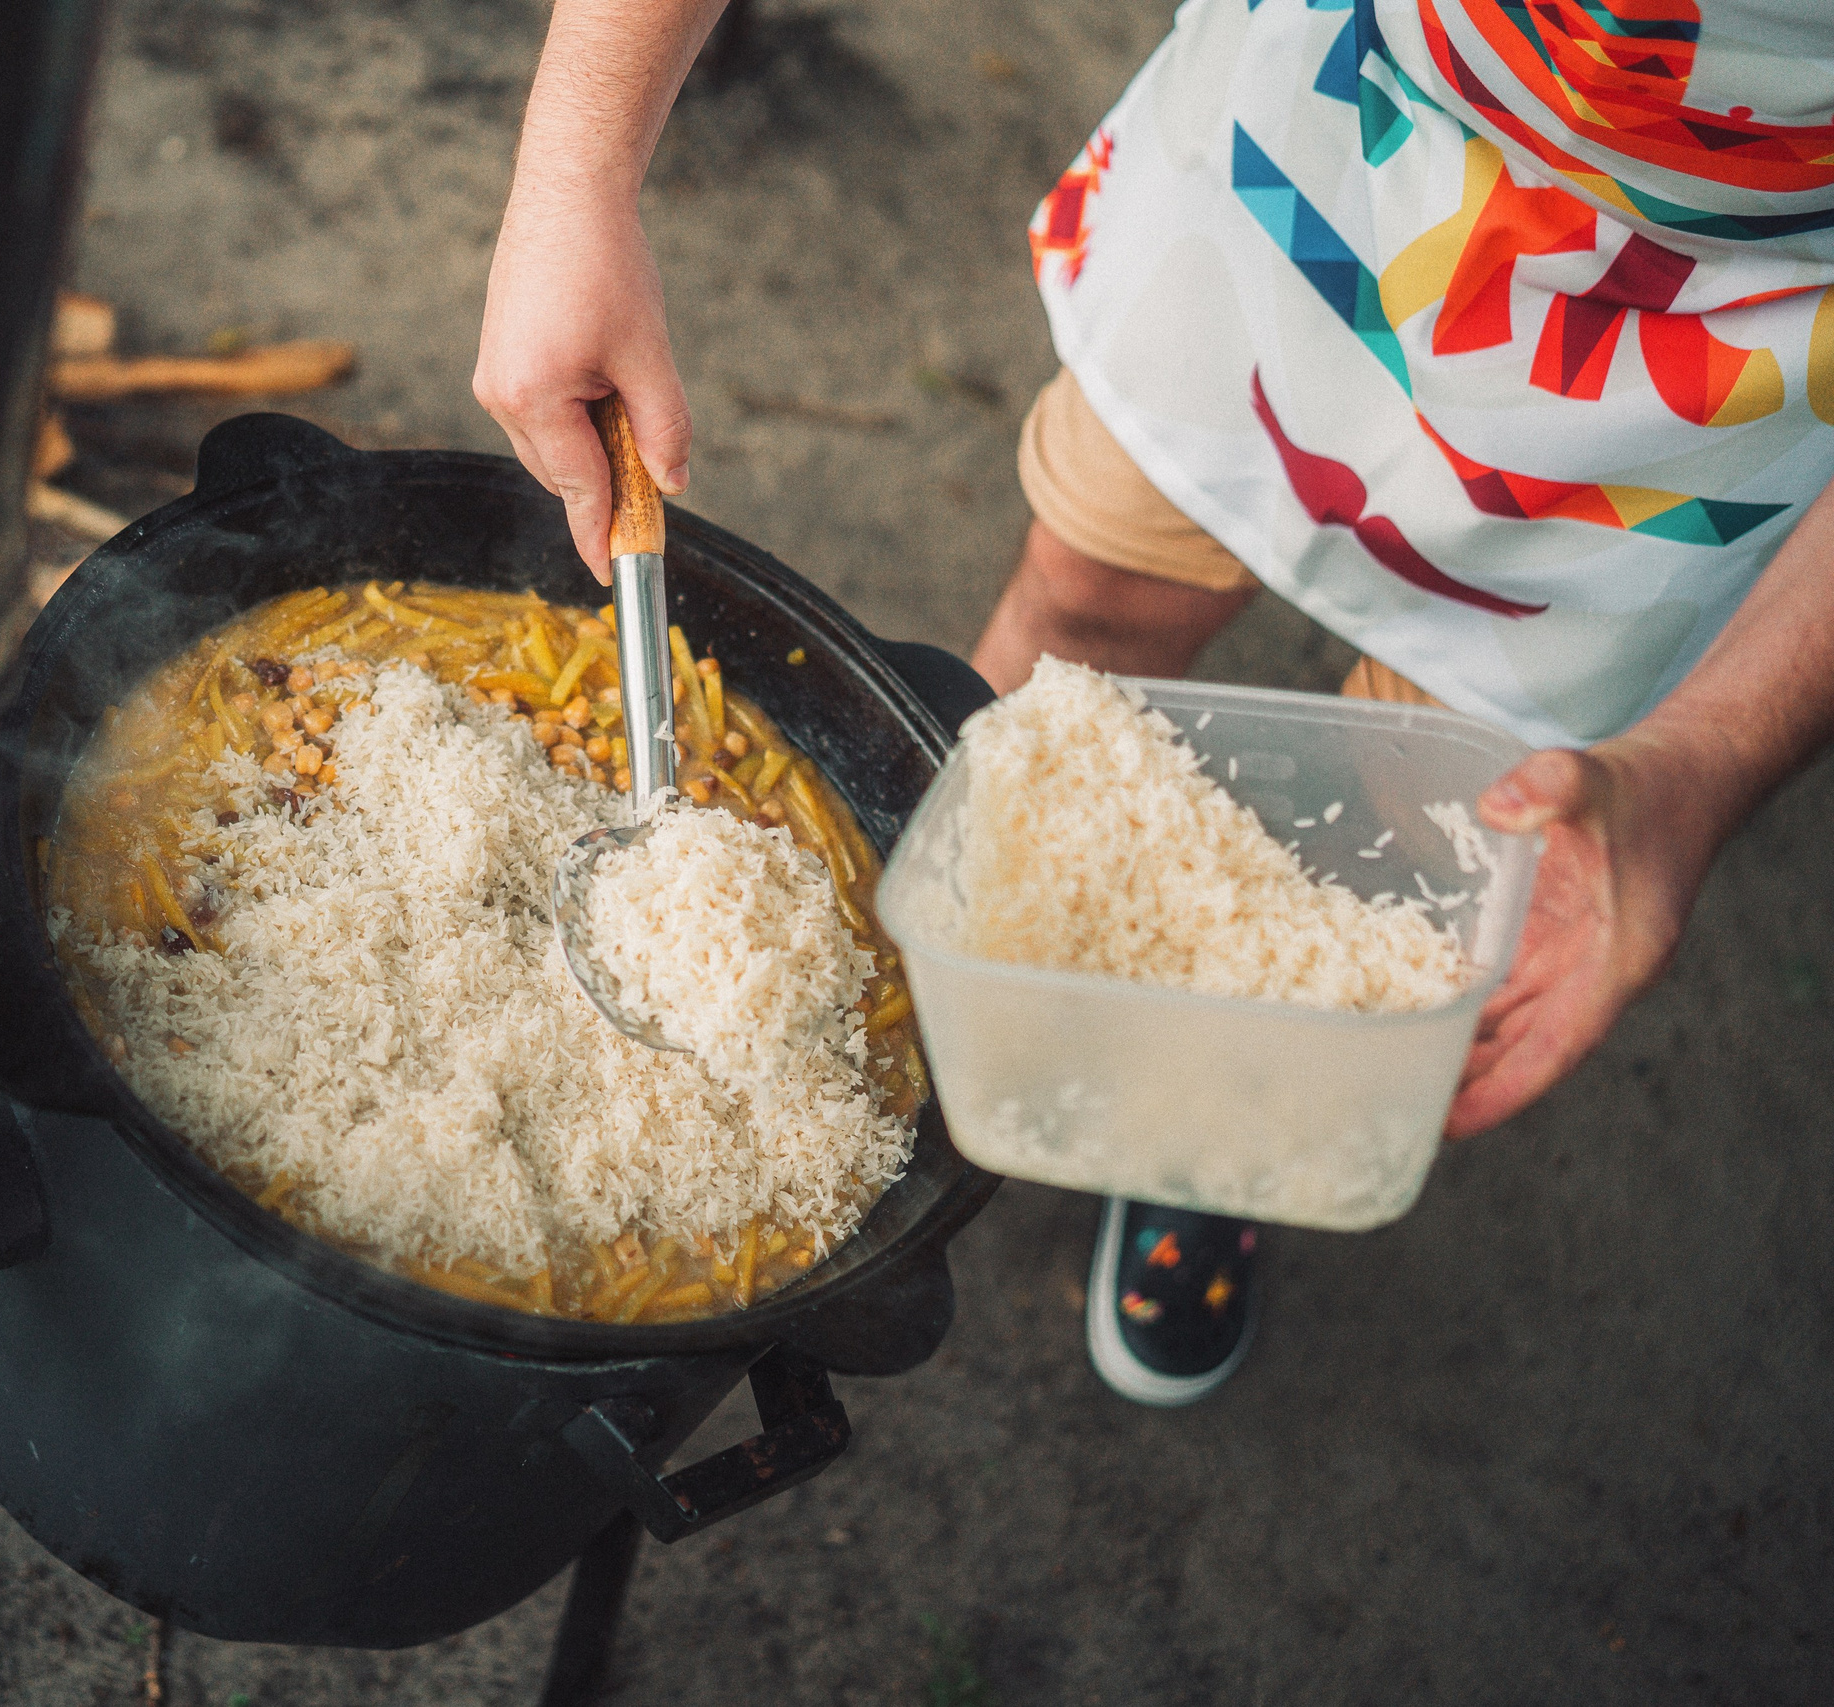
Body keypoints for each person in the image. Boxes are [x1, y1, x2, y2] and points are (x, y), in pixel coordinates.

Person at [474, 0, 1834, 1403]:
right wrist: (575, 177)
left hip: (1735, 327)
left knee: (1442, 802)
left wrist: (1705, 764)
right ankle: (935, 960)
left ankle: (1228, 1104)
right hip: (1344, 118)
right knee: (1084, 615)